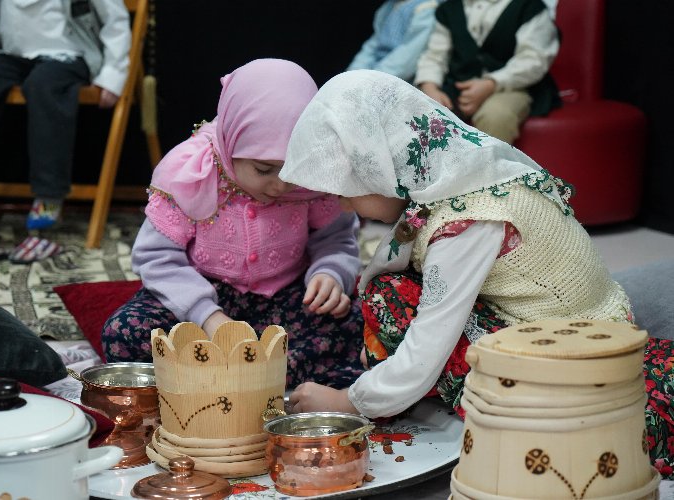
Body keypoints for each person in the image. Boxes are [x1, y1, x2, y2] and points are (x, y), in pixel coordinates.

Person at [280, 70, 673, 479]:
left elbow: (423, 351)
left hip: (576, 362)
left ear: (378, 167)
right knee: (391, 289)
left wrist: (350, 400)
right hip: (560, 326)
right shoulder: (465, 169)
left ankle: (503, 416)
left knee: (390, 297)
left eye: (346, 191)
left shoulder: (467, 219)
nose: (344, 207)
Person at [102, 59, 365, 389]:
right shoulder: (191, 172)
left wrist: (330, 274)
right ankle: (262, 378)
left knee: (358, 326)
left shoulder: (313, 176)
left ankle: (220, 379)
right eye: (264, 169)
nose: (281, 185)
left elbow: (337, 239)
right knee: (125, 331)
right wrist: (209, 318)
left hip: (284, 302)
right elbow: (156, 259)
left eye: (292, 168)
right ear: (232, 139)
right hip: (201, 301)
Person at [0, 0, 131, 231]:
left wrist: (113, 75)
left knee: (44, 85)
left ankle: (49, 194)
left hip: (67, 55)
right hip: (13, 55)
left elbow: (115, 20)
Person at [414, 0, 561, 144]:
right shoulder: (450, 8)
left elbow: (534, 60)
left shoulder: (529, 7)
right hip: (460, 83)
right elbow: (434, 56)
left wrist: (492, 83)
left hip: (514, 86)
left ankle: (486, 168)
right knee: (421, 112)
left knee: (496, 116)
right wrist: (430, 87)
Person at [347, 0, 443, 83]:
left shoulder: (427, 7)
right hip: (373, 71)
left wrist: (372, 79)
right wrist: (352, 74)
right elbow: (373, 45)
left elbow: (408, 57)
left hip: (398, 79)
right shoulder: (388, 7)